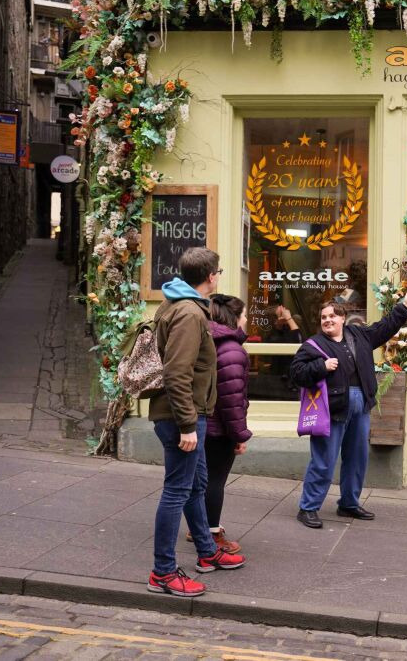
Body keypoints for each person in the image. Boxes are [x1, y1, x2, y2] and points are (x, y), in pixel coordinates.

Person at [147, 248, 245, 598]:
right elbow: (176, 373)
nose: (218, 276)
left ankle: (206, 552)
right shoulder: (189, 313)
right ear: (211, 277)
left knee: (197, 483)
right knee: (177, 490)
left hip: (188, 414)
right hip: (182, 417)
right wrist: (188, 425)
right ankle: (163, 572)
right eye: (218, 271)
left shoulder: (177, 303)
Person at [289, 286, 407, 529]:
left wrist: (404, 306)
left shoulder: (359, 335)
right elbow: (296, 373)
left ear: (342, 318)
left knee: (357, 458)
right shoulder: (313, 345)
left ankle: (348, 503)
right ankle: (308, 507)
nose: (327, 320)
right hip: (332, 408)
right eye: (323, 318)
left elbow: (385, 327)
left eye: (332, 316)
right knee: (324, 460)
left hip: (361, 404)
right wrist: (321, 367)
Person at [203, 293, 253, 554]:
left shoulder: (210, 340)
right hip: (219, 428)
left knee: (203, 480)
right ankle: (211, 533)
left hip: (205, 423)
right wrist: (239, 435)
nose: (246, 319)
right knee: (215, 481)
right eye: (243, 314)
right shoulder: (232, 350)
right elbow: (231, 399)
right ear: (234, 317)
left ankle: (200, 527)